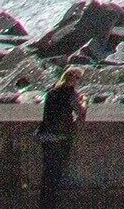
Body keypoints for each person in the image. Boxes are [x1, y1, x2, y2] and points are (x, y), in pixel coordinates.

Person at [35, 68, 87, 209]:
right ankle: (51, 204)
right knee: (56, 174)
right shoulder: (69, 93)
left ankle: (44, 204)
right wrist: (84, 101)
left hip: (46, 136)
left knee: (47, 173)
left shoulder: (52, 92)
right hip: (60, 137)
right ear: (73, 79)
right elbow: (80, 113)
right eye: (78, 79)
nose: (78, 82)